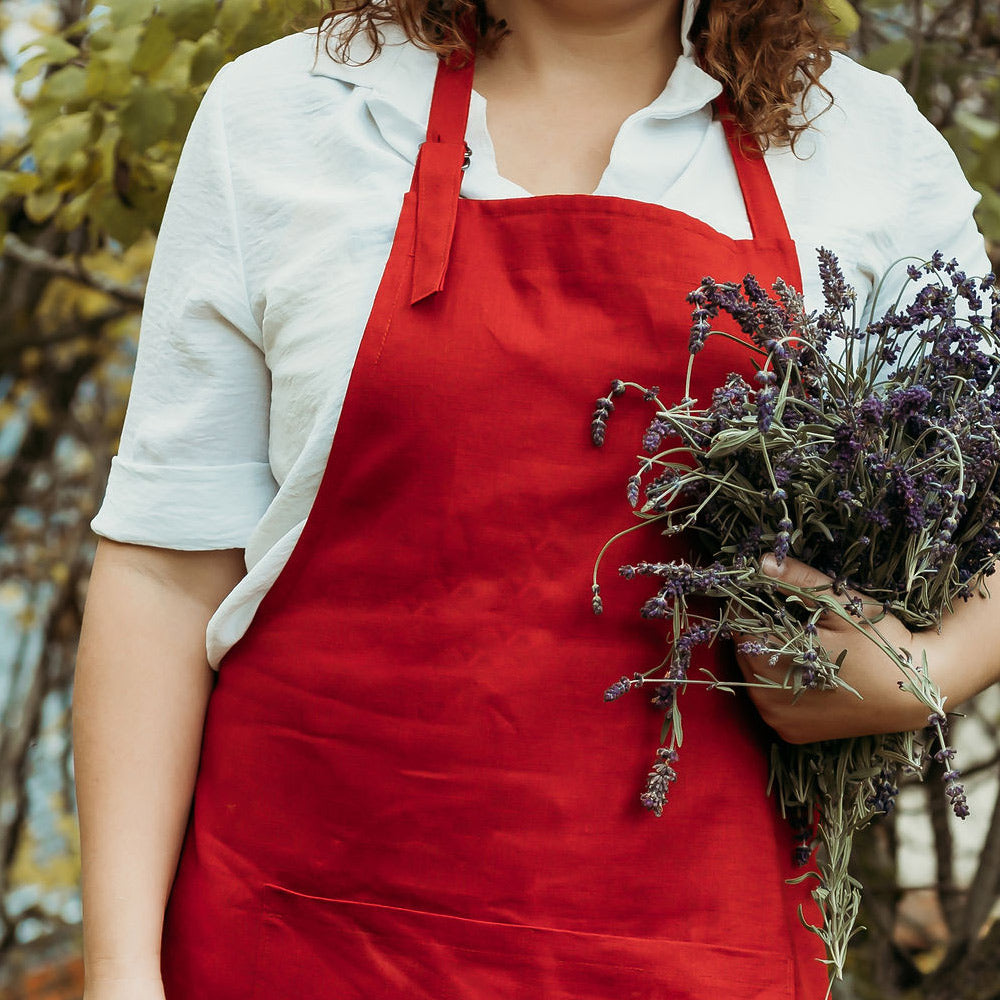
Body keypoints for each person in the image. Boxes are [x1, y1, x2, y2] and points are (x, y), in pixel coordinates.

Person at [72, 1, 996, 998]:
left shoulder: (863, 146)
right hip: (299, 941)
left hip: (693, 954)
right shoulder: (286, 113)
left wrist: (922, 670)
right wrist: (119, 971)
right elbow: (166, 573)